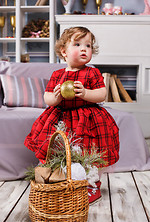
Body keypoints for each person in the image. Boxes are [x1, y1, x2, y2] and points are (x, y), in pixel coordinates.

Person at [24, 26, 119, 204]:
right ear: (64, 51)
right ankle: (59, 180)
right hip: (61, 117)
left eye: (88, 45)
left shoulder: (92, 72)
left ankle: (91, 184)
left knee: (88, 152)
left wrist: (85, 94)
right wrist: (56, 97)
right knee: (58, 150)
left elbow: (101, 94)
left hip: (87, 119)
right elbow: (47, 97)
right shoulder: (58, 74)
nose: (84, 49)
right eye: (77, 44)